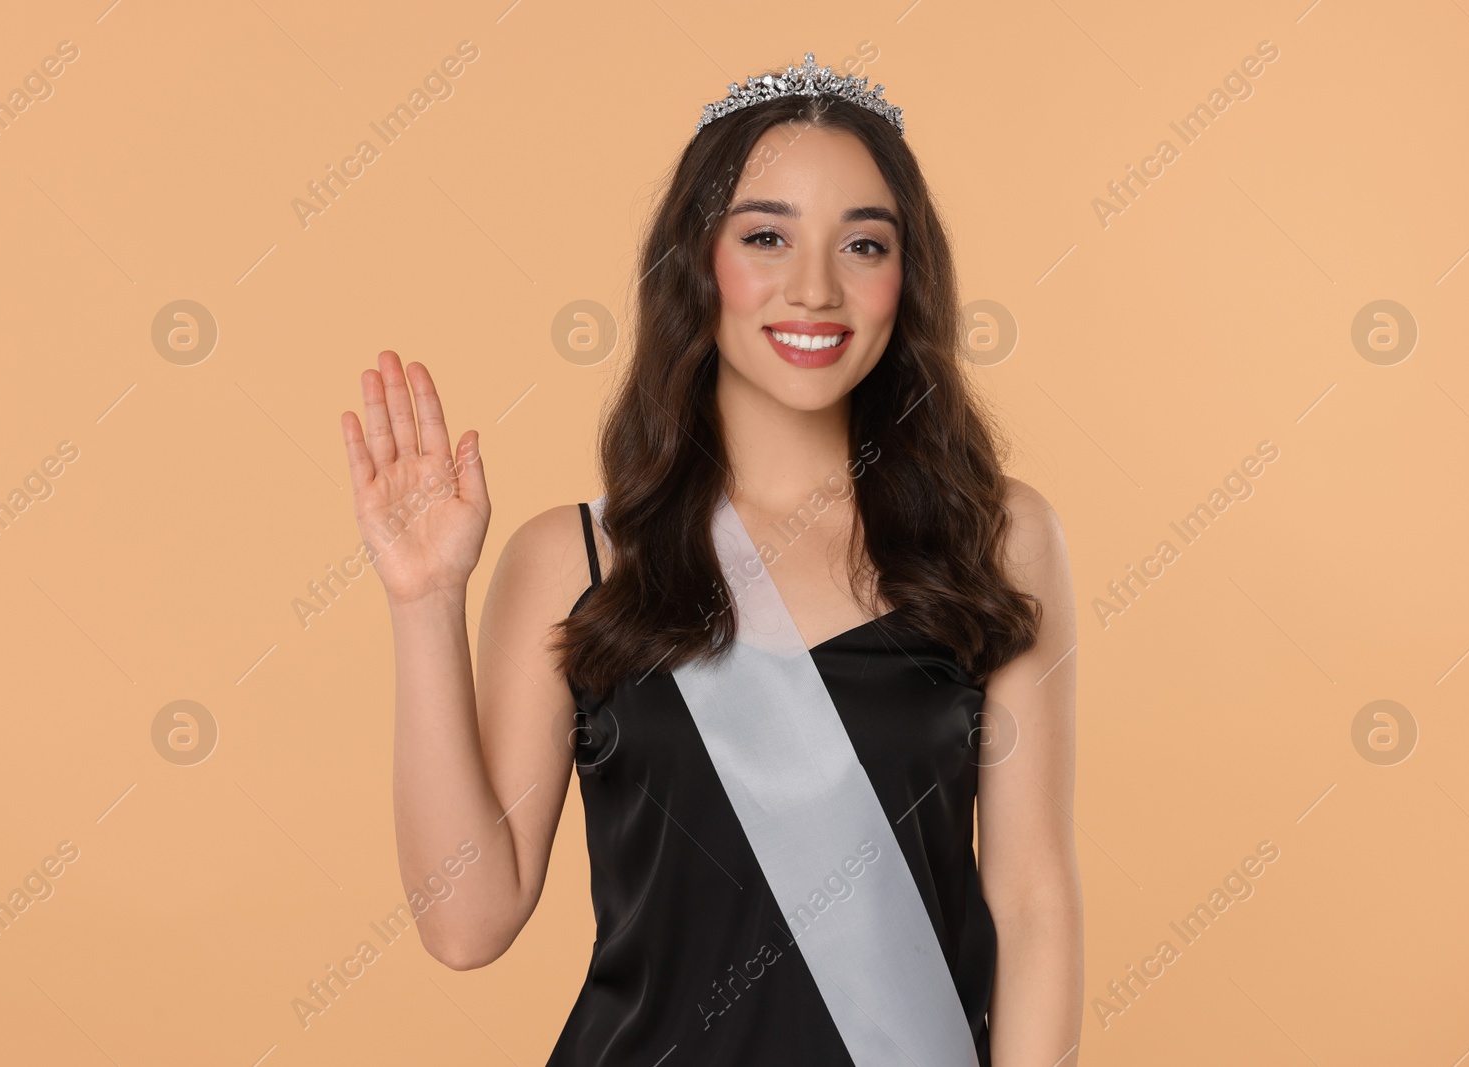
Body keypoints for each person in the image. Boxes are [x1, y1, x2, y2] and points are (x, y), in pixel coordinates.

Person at [340, 52, 1081, 1066]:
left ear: (905, 280)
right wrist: (424, 600)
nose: (814, 287)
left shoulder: (994, 536)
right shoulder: (576, 559)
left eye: (864, 244)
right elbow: (466, 921)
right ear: (698, 262)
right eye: (767, 236)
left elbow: (1032, 898)